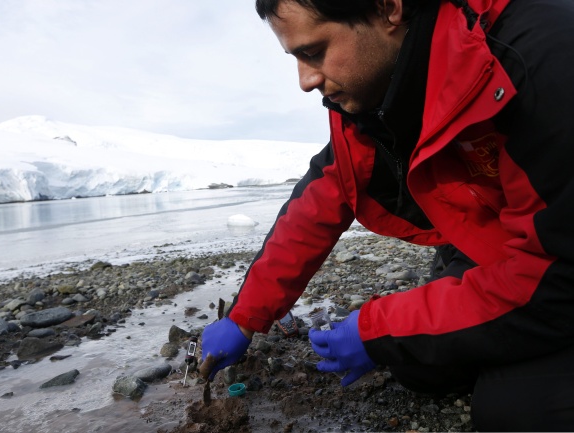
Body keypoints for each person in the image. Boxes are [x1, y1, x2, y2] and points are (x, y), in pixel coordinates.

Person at [201, 0, 574, 430]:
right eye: (296, 58)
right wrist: (243, 318)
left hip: (558, 267)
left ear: (388, 8)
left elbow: (557, 277)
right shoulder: (375, 104)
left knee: (515, 411)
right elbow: (315, 208)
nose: (305, 81)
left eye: (314, 52)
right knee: (417, 366)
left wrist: (378, 328)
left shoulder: (539, 59)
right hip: (507, 240)